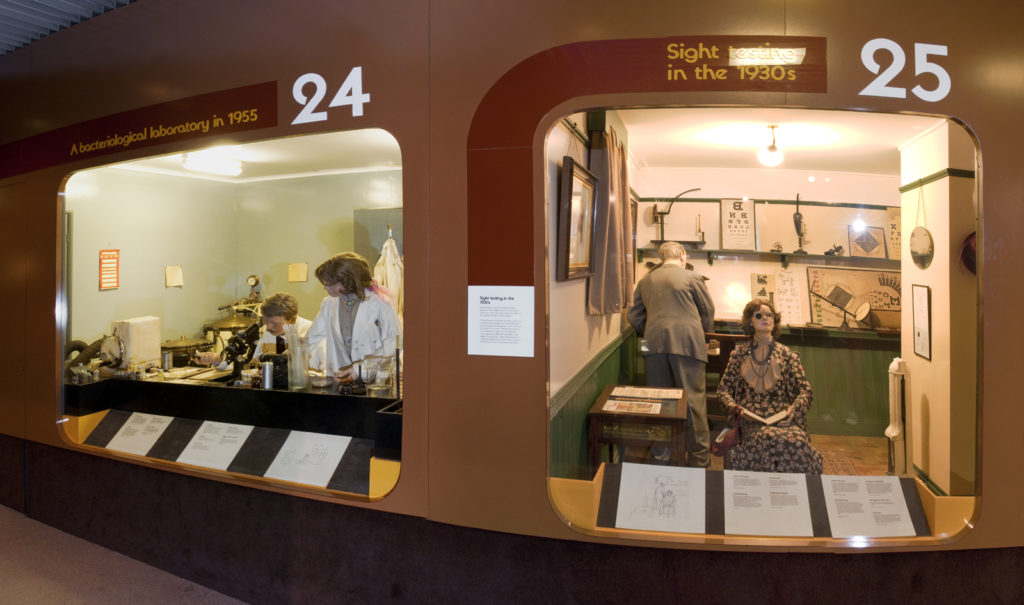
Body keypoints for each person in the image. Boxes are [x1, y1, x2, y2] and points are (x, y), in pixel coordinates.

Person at [627, 241, 715, 467]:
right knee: (694, 403)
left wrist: (648, 331)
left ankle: (661, 456)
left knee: (659, 401)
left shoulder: (645, 280)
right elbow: (708, 311)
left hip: (651, 344)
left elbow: (634, 317)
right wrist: (701, 333)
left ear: (661, 257)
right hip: (688, 344)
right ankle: (699, 460)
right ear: (683, 255)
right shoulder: (692, 278)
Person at [716, 299, 823, 474]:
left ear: (775, 320)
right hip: (749, 420)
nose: (765, 318)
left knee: (795, 441)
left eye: (769, 315)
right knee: (762, 439)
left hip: (782, 420)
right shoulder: (738, 355)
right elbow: (723, 391)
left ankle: (795, 495)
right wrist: (735, 408)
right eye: (759, 315)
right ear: (750, 321)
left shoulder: (788, 355)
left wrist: (793, 411)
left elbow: (805, 391)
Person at [306, 252, 400, 381]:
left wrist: (361, 369)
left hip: (376, 379)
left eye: (329, 283)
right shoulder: (329, 304)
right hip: (340, 378)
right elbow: (311, 338)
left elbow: (393, 344)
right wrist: (291, 356)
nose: (325, 287)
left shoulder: (381, 304)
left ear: (348, 281)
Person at [195, 291, 324, 371]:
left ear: (292, 320)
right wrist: (216, 359)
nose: (268, 327)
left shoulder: (313, 334)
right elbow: (246, 362)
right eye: (266, 322)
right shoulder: (265, 332)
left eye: (274, 323)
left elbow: (326, 374)